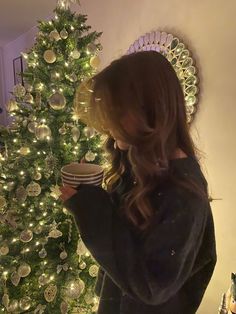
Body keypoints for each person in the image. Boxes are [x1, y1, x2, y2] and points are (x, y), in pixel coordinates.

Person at [60, 51, 217, 314]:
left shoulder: (184, 194)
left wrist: (92, 212)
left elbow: (151, 286)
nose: (108, 123)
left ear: (148, 110)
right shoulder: (139, 166)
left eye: (116, 112)